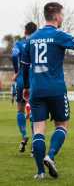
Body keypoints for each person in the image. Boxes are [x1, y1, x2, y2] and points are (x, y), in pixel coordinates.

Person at [21, 2, 74, 179]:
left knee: (38, 129)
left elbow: (24, 66)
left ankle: (40, 172)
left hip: (37, 90)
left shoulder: (32, 39)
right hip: (56, 89)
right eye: (62, 15)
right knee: (62, 125)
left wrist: (26, 86)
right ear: (56, 16)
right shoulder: (59, 35)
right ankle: (50, 156)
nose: (62, 18)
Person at [11, 22, 37, 152]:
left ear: (25, 31)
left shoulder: (19, 44)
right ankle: (35, 143)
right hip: (35, 79)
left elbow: (14, 55)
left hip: (21, 79)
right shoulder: (37, 43)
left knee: (20, 109)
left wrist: (16, 71)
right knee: (35, 111)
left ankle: (24, 135)